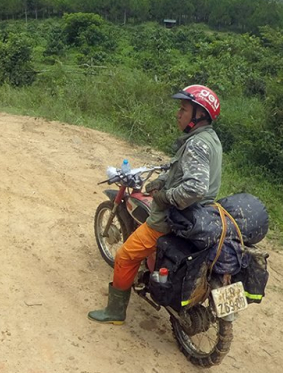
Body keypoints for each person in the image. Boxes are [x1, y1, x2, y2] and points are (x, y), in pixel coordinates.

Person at [88, 85, 223, 324]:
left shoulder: (196, 145)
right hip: (201, 216)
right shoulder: (210, 140)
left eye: (183, 109)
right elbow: (182, 172)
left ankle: (115, 312)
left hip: (171, 220)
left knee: (124, 256)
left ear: (199, 115)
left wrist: (164, 197)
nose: (178, 114)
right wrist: (160, 181)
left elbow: (195, 187)